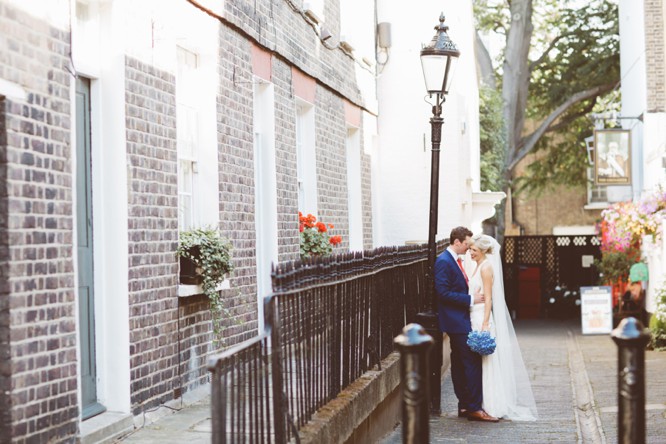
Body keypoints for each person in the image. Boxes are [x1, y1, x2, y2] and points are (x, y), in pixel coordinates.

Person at [467, 233, 538, 421]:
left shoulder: (485, 268)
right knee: (480, 363)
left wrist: (484, 322)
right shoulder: (477, 266)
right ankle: (483, 403)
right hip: (474, 316)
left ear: (482, 250)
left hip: (482, 318)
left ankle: (492, 405)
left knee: (488, 363)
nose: (470, 252)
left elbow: (489, 297)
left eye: (473, 249)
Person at [434, 227, 498, 422]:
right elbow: (442, 293)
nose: (469, 248)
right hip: (457, 321)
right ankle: (473, 407)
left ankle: (464, 405)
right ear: (457, 242)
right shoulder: (444, 261)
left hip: (461, 320)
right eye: (467, 244)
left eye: (472, 246)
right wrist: (470, 299)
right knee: (470, 364)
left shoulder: (456, 261)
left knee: (461, 364)